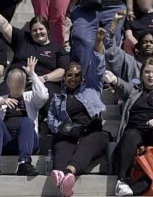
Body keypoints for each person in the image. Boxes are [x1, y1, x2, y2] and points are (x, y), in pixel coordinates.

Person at [48, 27, 112, 197]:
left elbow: (98, 64)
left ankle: (70, 173)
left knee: (86, 146)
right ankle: (60, 175)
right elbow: (51, 118)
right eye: (70, 75)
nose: (73, 78)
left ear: (82, 77)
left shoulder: (91, 88)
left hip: (94, 132)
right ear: (64, 77)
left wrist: (98, 41)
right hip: (70, 133)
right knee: (61, 146)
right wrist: (62, 127)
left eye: (77, 75)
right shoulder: (57, 98)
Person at [108, 58, 153, 197]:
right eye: (147, 72)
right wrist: (114, 80)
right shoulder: (135, 89)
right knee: (130, 135)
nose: (151, 75)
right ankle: (121, 182)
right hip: (136, 128)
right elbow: (123, 86)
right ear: (142, 74)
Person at [0, 57, 47, 177]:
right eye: (14, 81)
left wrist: (32, 74)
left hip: (28, 141)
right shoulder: (0, 100)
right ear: (8, 83)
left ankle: (25, 163)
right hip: (6, 142)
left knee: (26, 121)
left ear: (25, 83)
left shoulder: (30, 97)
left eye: (20, 81)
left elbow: (43, 96)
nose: (17, 84)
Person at [0, 0, 68, 96]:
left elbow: (64, 70)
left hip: (43, 84)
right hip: (16, 80)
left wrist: (43, 78)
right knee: (2, 94)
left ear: (47, 30)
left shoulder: (56, 48)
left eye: (41, 29)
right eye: (34, 30)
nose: (38, 32)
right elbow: (4, 26)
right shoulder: (23, 38)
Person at [105, 11, 153, 87]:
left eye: (151, 42)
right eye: (145, 42)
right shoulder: (129, 61)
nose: (148, 44)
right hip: (131, 97)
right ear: (139, 45)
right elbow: (110, 48)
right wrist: (115, 22)